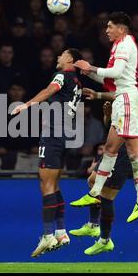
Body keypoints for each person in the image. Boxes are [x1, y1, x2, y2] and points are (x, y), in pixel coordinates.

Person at [72, 12, 138, 223]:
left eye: (109, 26)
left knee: (129, 153)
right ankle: (99, 193)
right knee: (114, 149)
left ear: (121, 29)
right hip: (123, 100)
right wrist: (88, 72)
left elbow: (115, 73)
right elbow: (112, 78)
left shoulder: (125, 44)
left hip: (126, 100)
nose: (106, 30)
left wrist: (91, 68)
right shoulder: (121, 45)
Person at [11, 48, 83, 257]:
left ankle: (48, 234)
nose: (58, 57)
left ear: (70, 59)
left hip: (54, 134)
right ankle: (61, 232)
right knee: (54, 183)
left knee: (46, 184)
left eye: (62, 54)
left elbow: (50, 90)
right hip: (65, 136)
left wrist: (27, 104)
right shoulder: (78, 83)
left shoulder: (63, 75)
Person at [70, 100, 133, 255]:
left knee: (106, 195)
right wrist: (108, 115)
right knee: (93, 182)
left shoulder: (132, 102)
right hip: (112, 151)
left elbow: (129, 132)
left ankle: (104, 239)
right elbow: (111, 127)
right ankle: (95, 228)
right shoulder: (121, 100)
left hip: (122, 154)